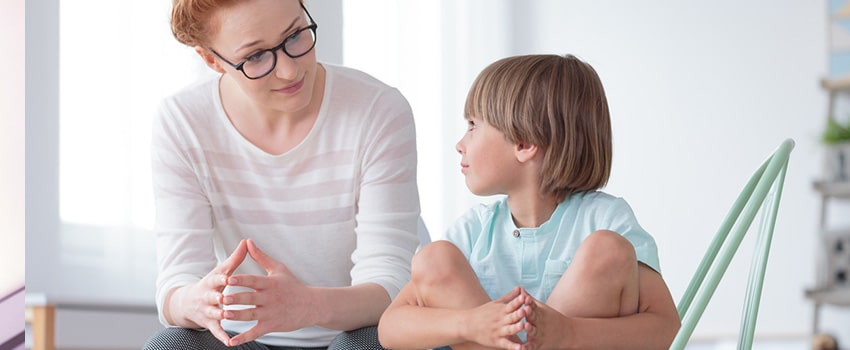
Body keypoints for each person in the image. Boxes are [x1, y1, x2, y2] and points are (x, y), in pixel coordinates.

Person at [142, 0, 421, 349]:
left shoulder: (377, 110)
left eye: (295, 35)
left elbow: (391, 286)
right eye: (256, 57)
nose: (290, 70)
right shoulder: (182, 122)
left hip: (351, 331)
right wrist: (195, 301)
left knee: (369, 343)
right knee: (173, 344)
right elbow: (175, 286)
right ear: (212, 60)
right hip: (243, 339)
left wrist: (309, 306)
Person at [377, 54, 681, 350]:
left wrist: (570, 333)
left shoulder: (605, 219)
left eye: (473, 125)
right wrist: (470, 323)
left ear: (524, 144)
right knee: (434, 258)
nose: (460, 144)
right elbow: (390, 328)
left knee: (608, 248)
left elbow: (666, 328)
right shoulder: (473, 232)